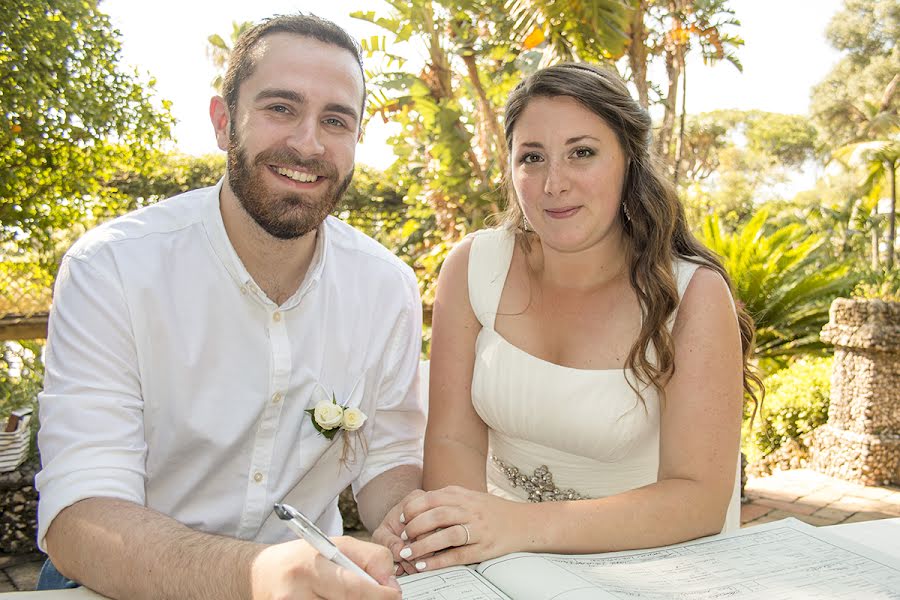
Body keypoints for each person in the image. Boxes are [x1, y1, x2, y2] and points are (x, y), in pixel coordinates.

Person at [35, 14, 424, 599]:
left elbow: (389, 455)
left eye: (336, 120)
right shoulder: (112, 269)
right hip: (110, 583)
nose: (308, 143)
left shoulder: (386, 285)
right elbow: (80, 516)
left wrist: (402, 515)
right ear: (223, 123)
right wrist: (256, 574)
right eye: (281, 108)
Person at [388, 63, 762, 573]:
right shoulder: (473, 267)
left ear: (628, 161)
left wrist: (517, 527)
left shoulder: (693, 294)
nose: (553, 183)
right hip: (498, 562)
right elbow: (453, 441)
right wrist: (459, 548)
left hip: (650, 564)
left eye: (581, 152)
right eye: (532, 158)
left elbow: (697, 500)